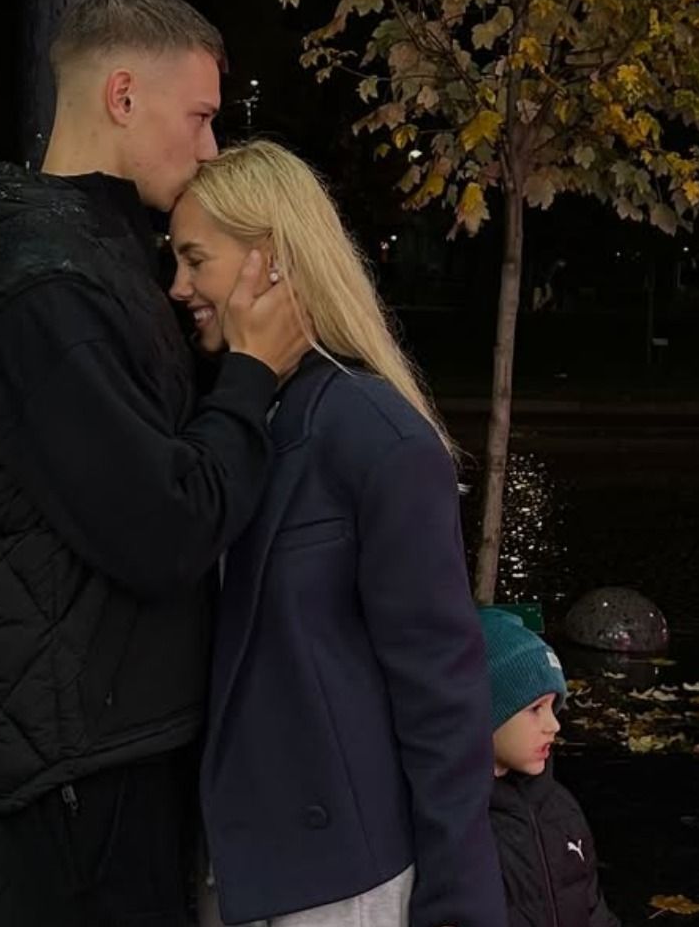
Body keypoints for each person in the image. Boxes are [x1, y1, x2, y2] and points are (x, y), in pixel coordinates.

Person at [0, 0, 310, 927]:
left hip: (112, 725)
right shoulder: (43, 285)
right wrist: (251, 374)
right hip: (75, 750)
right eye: (200, 117)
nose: (211, 148)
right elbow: (164, 529)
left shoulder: (107, 253)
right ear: (122, 96)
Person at [171, 140, 506, 927]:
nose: (177, 286)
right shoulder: (234, 417)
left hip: (339, 886)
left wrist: (459, 902)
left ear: (271, 261)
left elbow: (441, 689)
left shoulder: (375, 435)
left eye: (194, 260)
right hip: (239, 867)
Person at [479, 608, 622, 927]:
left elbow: (594, 911)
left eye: (553, 706)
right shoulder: (460, 824)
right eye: (535, 709)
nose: (554, 725)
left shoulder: (560, 808)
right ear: (485, 714)